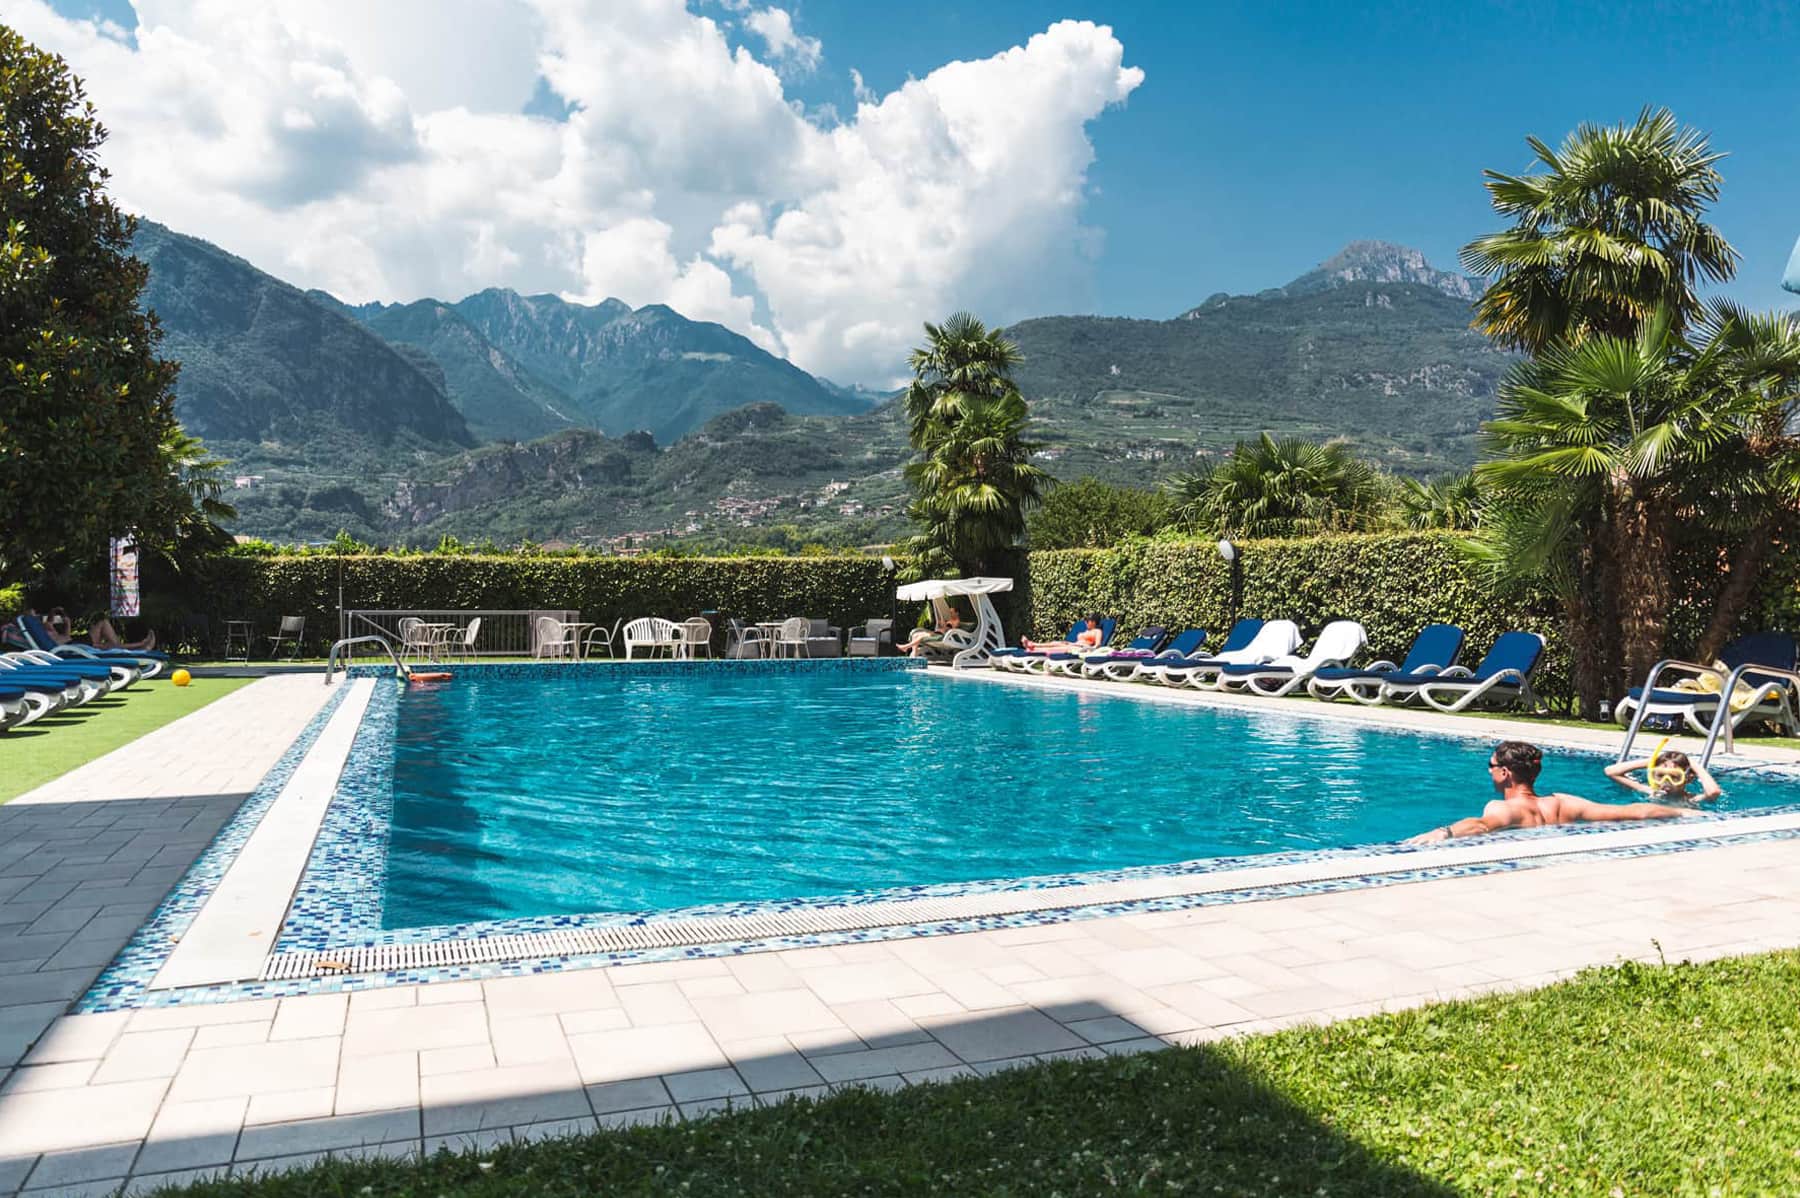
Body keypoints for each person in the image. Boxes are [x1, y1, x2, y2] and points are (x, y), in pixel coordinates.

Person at [1406, 740, 1692, 844]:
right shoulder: (1564, 803)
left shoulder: (1503, 808)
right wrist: (1682, 812)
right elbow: (1635, 812)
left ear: (1505, 773)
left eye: (1490, 765)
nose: (1488, 770)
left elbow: (1480, 825)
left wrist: (1444, 832)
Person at [1604, 749, 1721, 803]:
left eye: (1675, 777)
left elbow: (1713, 792)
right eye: (1660, 775)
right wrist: (1652, 762)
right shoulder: (1650, 791)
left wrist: (1694, 765)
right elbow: (1610, 771)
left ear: (1688, 779)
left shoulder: (1691, 799)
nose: (1666, 782)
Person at [1020, 614, 1105, 654]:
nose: (1086, 623)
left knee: (1058, 646)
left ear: (1094, 622)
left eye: (1088, 621)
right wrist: (1070, 643)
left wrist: (1090, 649)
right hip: (1074, 645)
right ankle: (1032, 645)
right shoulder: (1086, 631)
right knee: (1054, 643)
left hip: (1081, 648)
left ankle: (1032, 645)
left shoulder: (1097, 631)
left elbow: (1097, 644)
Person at [897, 608, 962, 657]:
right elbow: (943, 627)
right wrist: (942, 624)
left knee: (921, 636)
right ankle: (914, 652)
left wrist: (945, 626)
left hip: (943, 635)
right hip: (937, 633)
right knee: (915, 635)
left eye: (952, 612)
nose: (950, 614)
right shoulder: (949, 620)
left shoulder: (957, 621)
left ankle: (905, 647)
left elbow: (952, 630)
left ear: (957, 613)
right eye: (950, 612)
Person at [88, 611, 157, 652]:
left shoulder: (92, 643)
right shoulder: (91, 644)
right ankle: (141, 646)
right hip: (87, 642)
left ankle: (141, 646)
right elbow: (112, 646)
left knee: (114, 645)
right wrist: (141, 644)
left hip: (88, 642)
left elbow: (114, 646)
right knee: (112, 646)